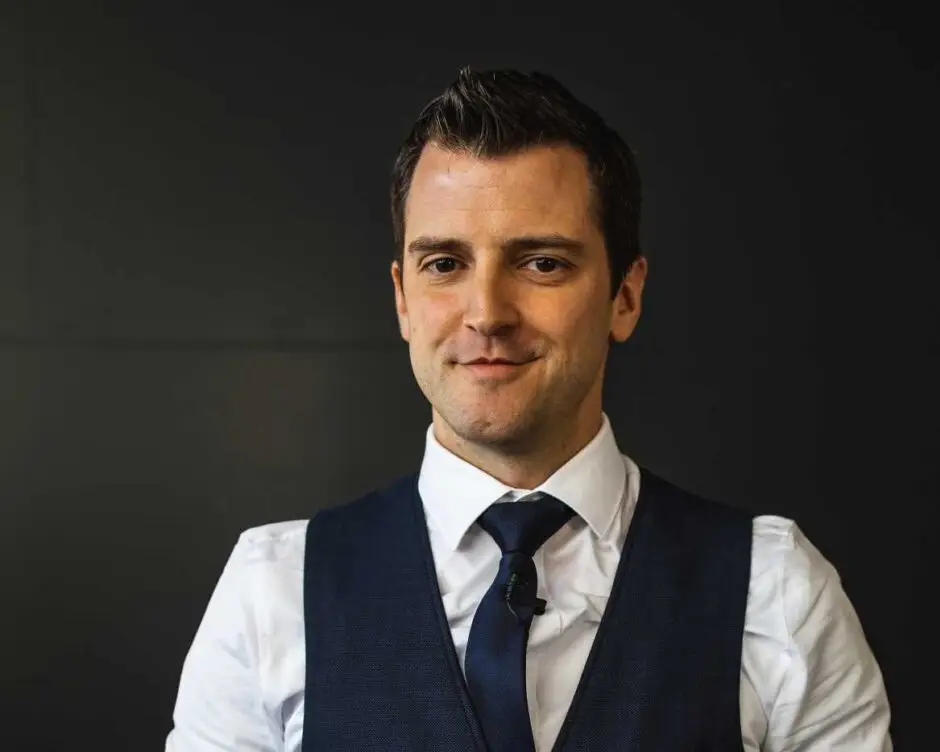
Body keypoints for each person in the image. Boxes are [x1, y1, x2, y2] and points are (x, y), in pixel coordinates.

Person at [165, 67, 892, 751]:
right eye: (445, 264)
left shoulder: (776, 593)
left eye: (542, 262)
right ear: (402, 300)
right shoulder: (272, 592)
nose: (487, 313)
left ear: (625, 296)